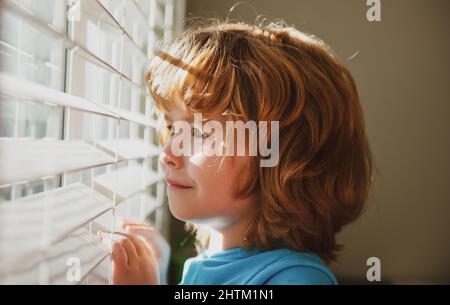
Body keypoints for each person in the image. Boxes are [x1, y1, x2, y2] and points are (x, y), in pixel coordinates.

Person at [103, 19, 372, 285]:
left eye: (200, 133)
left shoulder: (297, 280)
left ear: (283, 156)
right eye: (173, 128)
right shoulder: (204, 264)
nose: (168, 154)